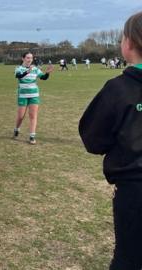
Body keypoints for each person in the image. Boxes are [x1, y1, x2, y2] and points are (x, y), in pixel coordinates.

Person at [79, 11, 142, 270]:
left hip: (134, 189)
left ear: (128, 43)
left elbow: (93, 139)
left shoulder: (118, 89)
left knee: (128, 258)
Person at [13, 52, 54, 144]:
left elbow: (43, 77)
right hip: (23, 95)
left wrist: (47, 73)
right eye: (27, 58)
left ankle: (32, 136)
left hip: (34, 95)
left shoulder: (35, 69)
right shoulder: (19, 68)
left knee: (33, 116)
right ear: (23, 58)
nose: (29, 60)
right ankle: (16, 129)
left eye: (31, 58)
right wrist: (28, 71)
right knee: (20, 116)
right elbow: (18, 76)